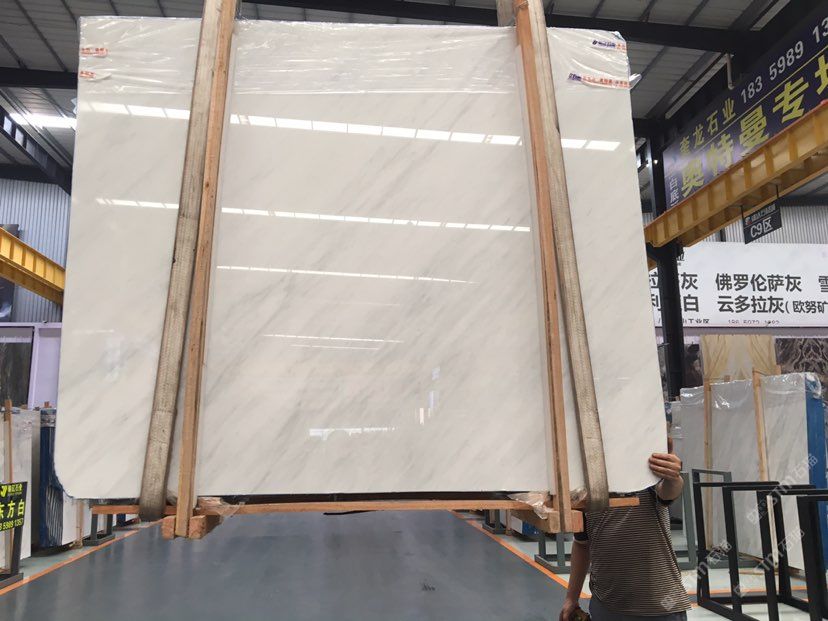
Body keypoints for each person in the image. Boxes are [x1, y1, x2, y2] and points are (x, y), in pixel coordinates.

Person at [560, 440, 690, 621]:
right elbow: (582, 544)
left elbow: (668, 491)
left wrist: (672, 476)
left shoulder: (646, 474)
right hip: (606, 605)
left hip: (661, 607)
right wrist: (571, 597)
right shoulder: (585, 489)